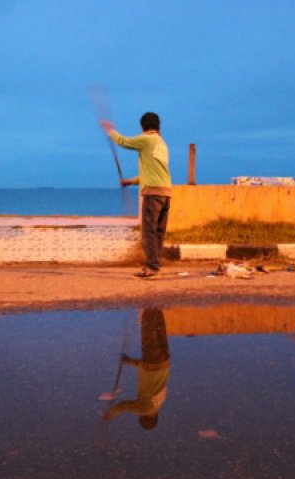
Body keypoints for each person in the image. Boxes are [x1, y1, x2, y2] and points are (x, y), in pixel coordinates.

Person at [101, 112, 172, 279]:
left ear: (143, 127)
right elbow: (150, 173)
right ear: (158, 126)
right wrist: (130, 182)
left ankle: (152, 268)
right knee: (158, 231)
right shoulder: (162, 144)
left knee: (148, 231)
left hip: (153, 193)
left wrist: (110, 130)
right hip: (166, 193)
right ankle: (155, 265)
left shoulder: (147, 140)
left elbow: (123, 141)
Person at [102, 308, 171, 430]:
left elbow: (148, 376)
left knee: (159, 330)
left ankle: (157, 308)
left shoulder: (159, 401)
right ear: (143, 416)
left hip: (164, 362)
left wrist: (129, 361)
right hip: (152, 362)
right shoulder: (145, 409)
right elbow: (124, 406)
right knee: (148, 330)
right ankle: (150, 304)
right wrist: (110, 413)